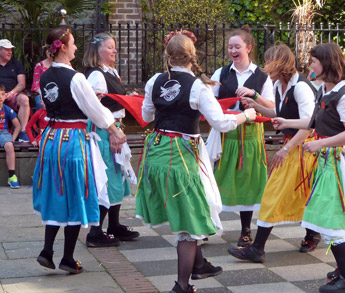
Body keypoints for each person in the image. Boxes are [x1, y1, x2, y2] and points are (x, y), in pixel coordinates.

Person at [136, 31, 257, 293]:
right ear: (193, 55)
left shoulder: (155, 80)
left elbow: (146, 115)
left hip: (156, 153)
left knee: (191, 206)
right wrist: (247, 115)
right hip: (182, 155)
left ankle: (200, 265)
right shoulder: (198, 86)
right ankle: (181, 285)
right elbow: (222, 123)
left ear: (168, 55)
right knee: (189, 222)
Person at [273, 43, 345, 293]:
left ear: (327, 64)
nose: (310, 65)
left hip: (338, 163)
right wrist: (287, 121)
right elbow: (314, 121)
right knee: (328, 212)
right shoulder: (324, 91)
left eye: (314, 61)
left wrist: (320, 144)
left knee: (329, 215)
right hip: (328, 160)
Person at [32, 26, 126, 274]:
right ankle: (68, 258)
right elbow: (94, 109)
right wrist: (115, 129)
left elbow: (53, 103)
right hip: (72, 140)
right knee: (76, 194)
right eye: (73, 43)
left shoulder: (44, 76)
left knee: (55, 192)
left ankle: (46, 250)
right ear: (62, 47)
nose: (75, 47)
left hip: (51, 139)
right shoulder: (76, 78)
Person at [228, 44, 320, 263]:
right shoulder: (280, 84)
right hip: (294, 146)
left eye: (269, 61)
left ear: (281, 63)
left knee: (273, 194)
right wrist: (255, 105)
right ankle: (312, 234)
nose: (265, 66)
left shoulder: (300, 87)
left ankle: (257, 248)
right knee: (303, 194)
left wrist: (286, 149)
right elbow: (279, 113)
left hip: (302, 148)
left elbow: (309, 125)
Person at [209, 25, 275, 247]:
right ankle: (208, 224)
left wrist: (254, 97)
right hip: (226, 133)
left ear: (248, 48)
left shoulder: (262, 76)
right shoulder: (220, 73)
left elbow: (272, 106)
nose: (232, 51)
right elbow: (209, 101)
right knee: (216, 178)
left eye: (237, 46)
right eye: (229, 47)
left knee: (248, 179)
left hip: (251, 134)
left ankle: (246, 230)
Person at [83, 33, 139, 247]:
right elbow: (95, 109)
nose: (115, 51)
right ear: (98, 51)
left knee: (118, 178)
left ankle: (113, 225)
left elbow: (110, 101)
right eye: (110, 47)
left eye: (114, 47)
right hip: (105, 130)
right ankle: (95, 232)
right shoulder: (96, 76)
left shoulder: (110, 72)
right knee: (107, 178)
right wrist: (112, 132)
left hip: (115, 128)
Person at [0, 39, 30, 142]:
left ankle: (23, 132)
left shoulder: (16, 64)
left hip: (13, 95)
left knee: (24, 99)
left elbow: (22, 84)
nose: (10, 52)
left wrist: (12, 93)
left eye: (11, 50)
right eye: (7, 49)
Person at [0, 84, 21, 188]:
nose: (0, 97)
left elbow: (18, 126)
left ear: (5, 96)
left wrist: (12, 139)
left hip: (3, 133)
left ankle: (12, 176)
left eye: (2, 94)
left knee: (9, 146)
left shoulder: (7, 109)